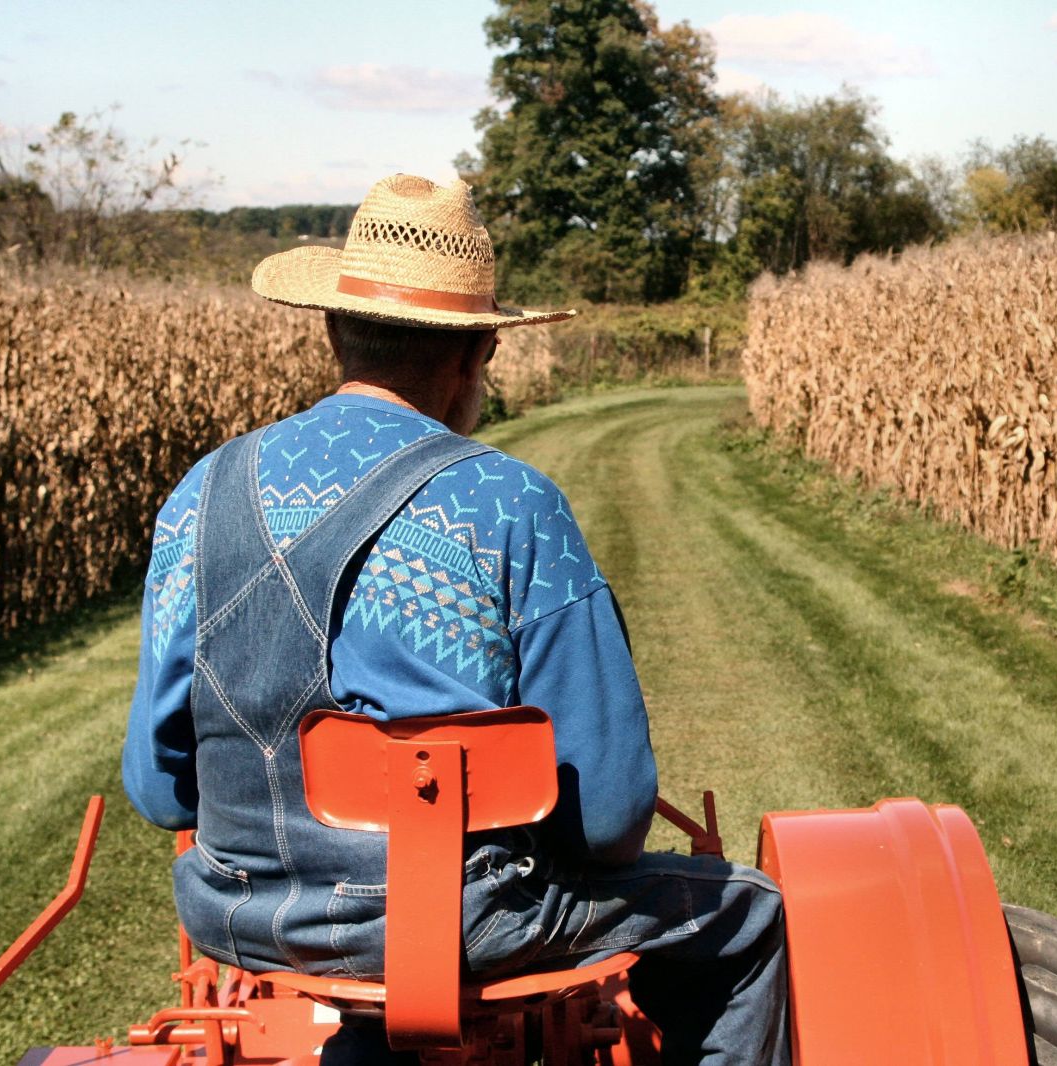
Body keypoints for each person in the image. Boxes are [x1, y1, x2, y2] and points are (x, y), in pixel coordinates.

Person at [120, 173, 789, 1066]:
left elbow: (158, 790)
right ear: (477, 356)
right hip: (461, 925)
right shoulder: (509, 505)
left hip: (238, 913)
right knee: (749, 917)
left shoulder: (199, 497)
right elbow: (612, 818)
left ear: (334, 331)